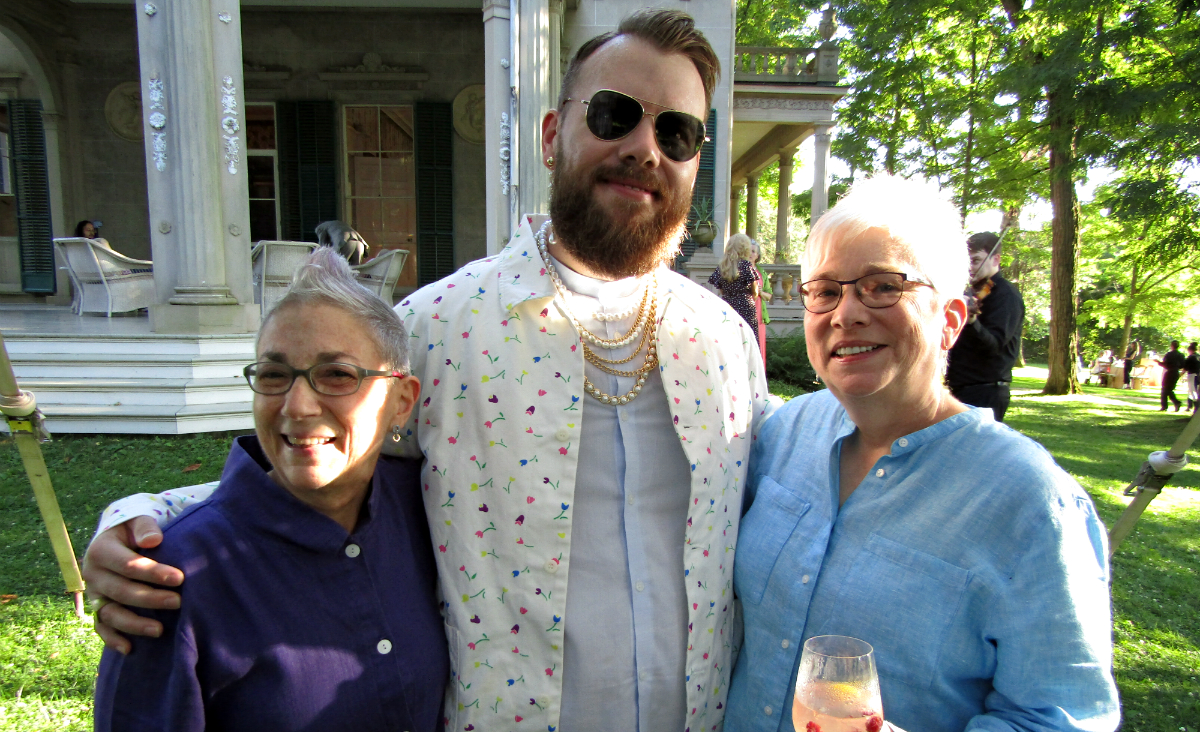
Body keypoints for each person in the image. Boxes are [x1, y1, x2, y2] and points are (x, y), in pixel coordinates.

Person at [82, 11, 769, 732]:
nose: (643, 148)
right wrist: (146, 521)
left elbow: (789, 491)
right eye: (613, 114)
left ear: (694, 160)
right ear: (550, 135)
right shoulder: (438, 327)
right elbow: (317, 468)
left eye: (677, 133)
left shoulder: (723, 342)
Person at [725, 176, 1118, 732]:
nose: (847, 313)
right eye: (825, 290)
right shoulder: (783, 435)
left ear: (951, 320)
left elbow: (1058, 717)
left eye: (883, 286)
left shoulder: (1030, 501)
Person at [93, 248, 446, 731]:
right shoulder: (167, 579)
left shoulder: (429, 509)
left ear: (402, 401)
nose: (298, 406)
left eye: (337, 375)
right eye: (274, 375)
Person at [946, 231, 1024, 422]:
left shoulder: (1006, 296)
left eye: (976, 260)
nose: (970, 268)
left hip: (985, 392)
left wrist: (972, 322)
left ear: (995, 259)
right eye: (967, 262)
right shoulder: (973, 292)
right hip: (961, 389)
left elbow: (995, 345)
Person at [710, 232, 767, 358]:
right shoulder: (746, 266)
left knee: (728, 343)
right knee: (747, 343)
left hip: (727, 307)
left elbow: (721, 290)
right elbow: (755, 292)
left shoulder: (723, 266)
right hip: (746, 308)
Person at [1156, 340, 1185, 411]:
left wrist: (1158, 362)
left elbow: (1165, 364)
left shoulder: (1169, 354)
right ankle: (1175, 403)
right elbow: (1183, 365)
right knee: (1169, 389)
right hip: (1176, 372)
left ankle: (1166, 405)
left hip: (1169, 372)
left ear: (1171, 346)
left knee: (1165, 389)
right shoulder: (1181, 355)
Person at [1184, 342, 1199, 410]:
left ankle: (1195, 406)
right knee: (1193, 390)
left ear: (1190, 350)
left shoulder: (1191, 358)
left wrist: (1179, 375)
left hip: (1192, 375)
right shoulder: (1198, 356)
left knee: (1192, 391)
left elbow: (1185, 367)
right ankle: (1189, 405)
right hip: (1198, 375)